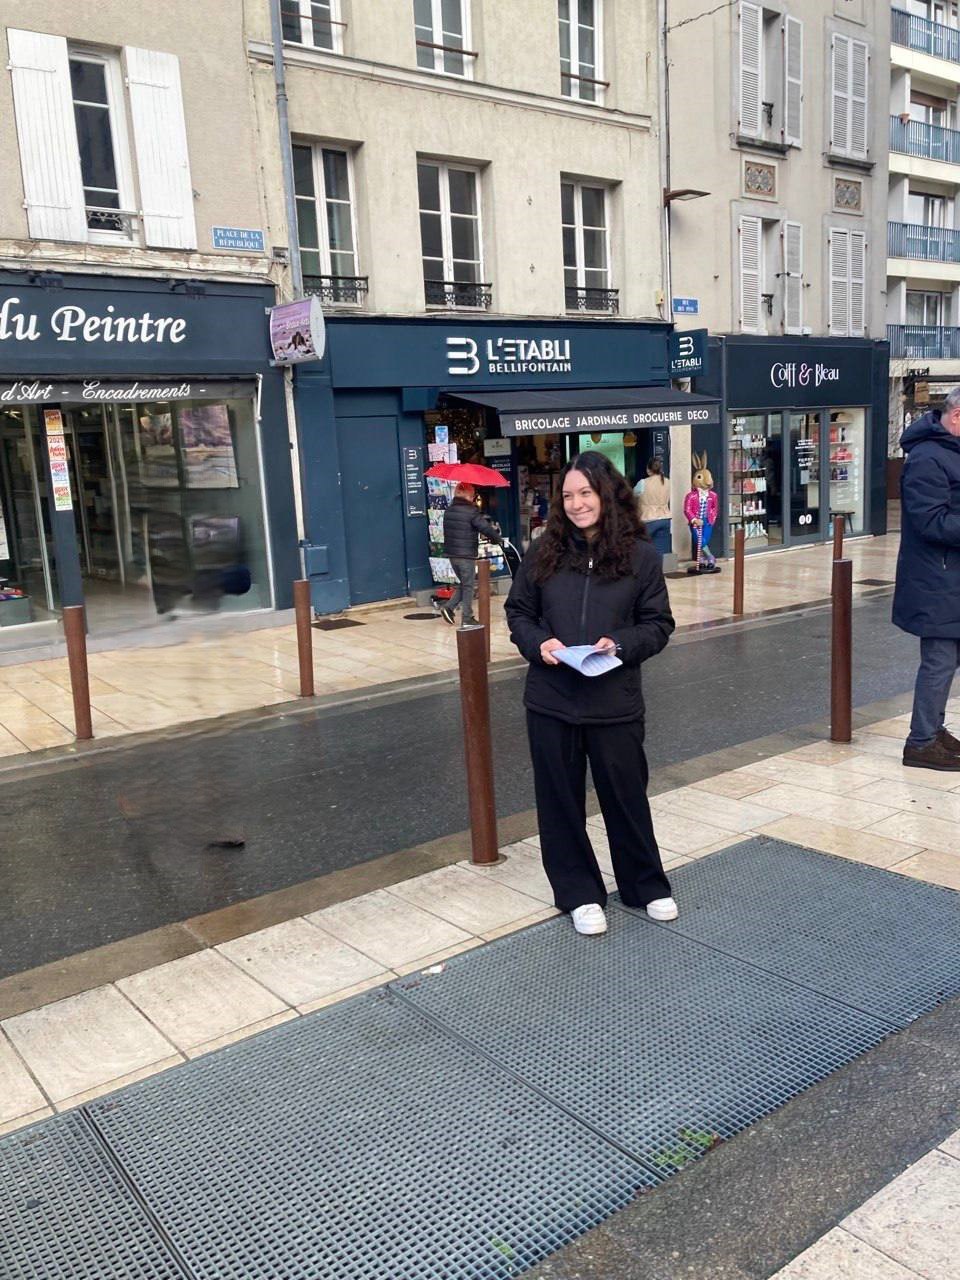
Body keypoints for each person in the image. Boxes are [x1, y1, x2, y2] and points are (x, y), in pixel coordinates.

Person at [505, 450, 677, 936]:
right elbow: (519, 612)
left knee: (626, 797)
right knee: (559, 802)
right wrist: (541, 644)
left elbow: (658, 624)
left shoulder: (640, 556)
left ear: (607, 494)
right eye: (568, 495)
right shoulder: (543, 550)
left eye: (586, 493)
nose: (577, 503)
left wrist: (618, 644)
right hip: (551, 700)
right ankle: (578, 894)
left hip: (614, 701)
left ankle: (645, 885)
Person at [893, 387, 960, 771]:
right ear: (957, 416)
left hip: (950, 578)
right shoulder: (927, 458)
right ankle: (920, 742)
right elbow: (931, 522)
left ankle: (932, 729)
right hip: (937, 581)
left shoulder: (949, 452)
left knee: (947, 661)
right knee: (938, 661)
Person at [441, 483, 503, 625]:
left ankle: (449, 608)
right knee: (468, 586)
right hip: (466, 554)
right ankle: (467, 618)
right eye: (472, 495)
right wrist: (497, 539)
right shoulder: (471, 511)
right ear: (469, 496)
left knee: (464, 583)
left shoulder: (449, 510)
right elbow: (484, 527)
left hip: (452, 554)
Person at [634, 457, 672, 557]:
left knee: (641, 548)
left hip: (648, 519)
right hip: (665, 518)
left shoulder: (643, 483)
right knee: (660, 552)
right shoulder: (667, 481)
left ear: (648, 469)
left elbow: (631, 496)